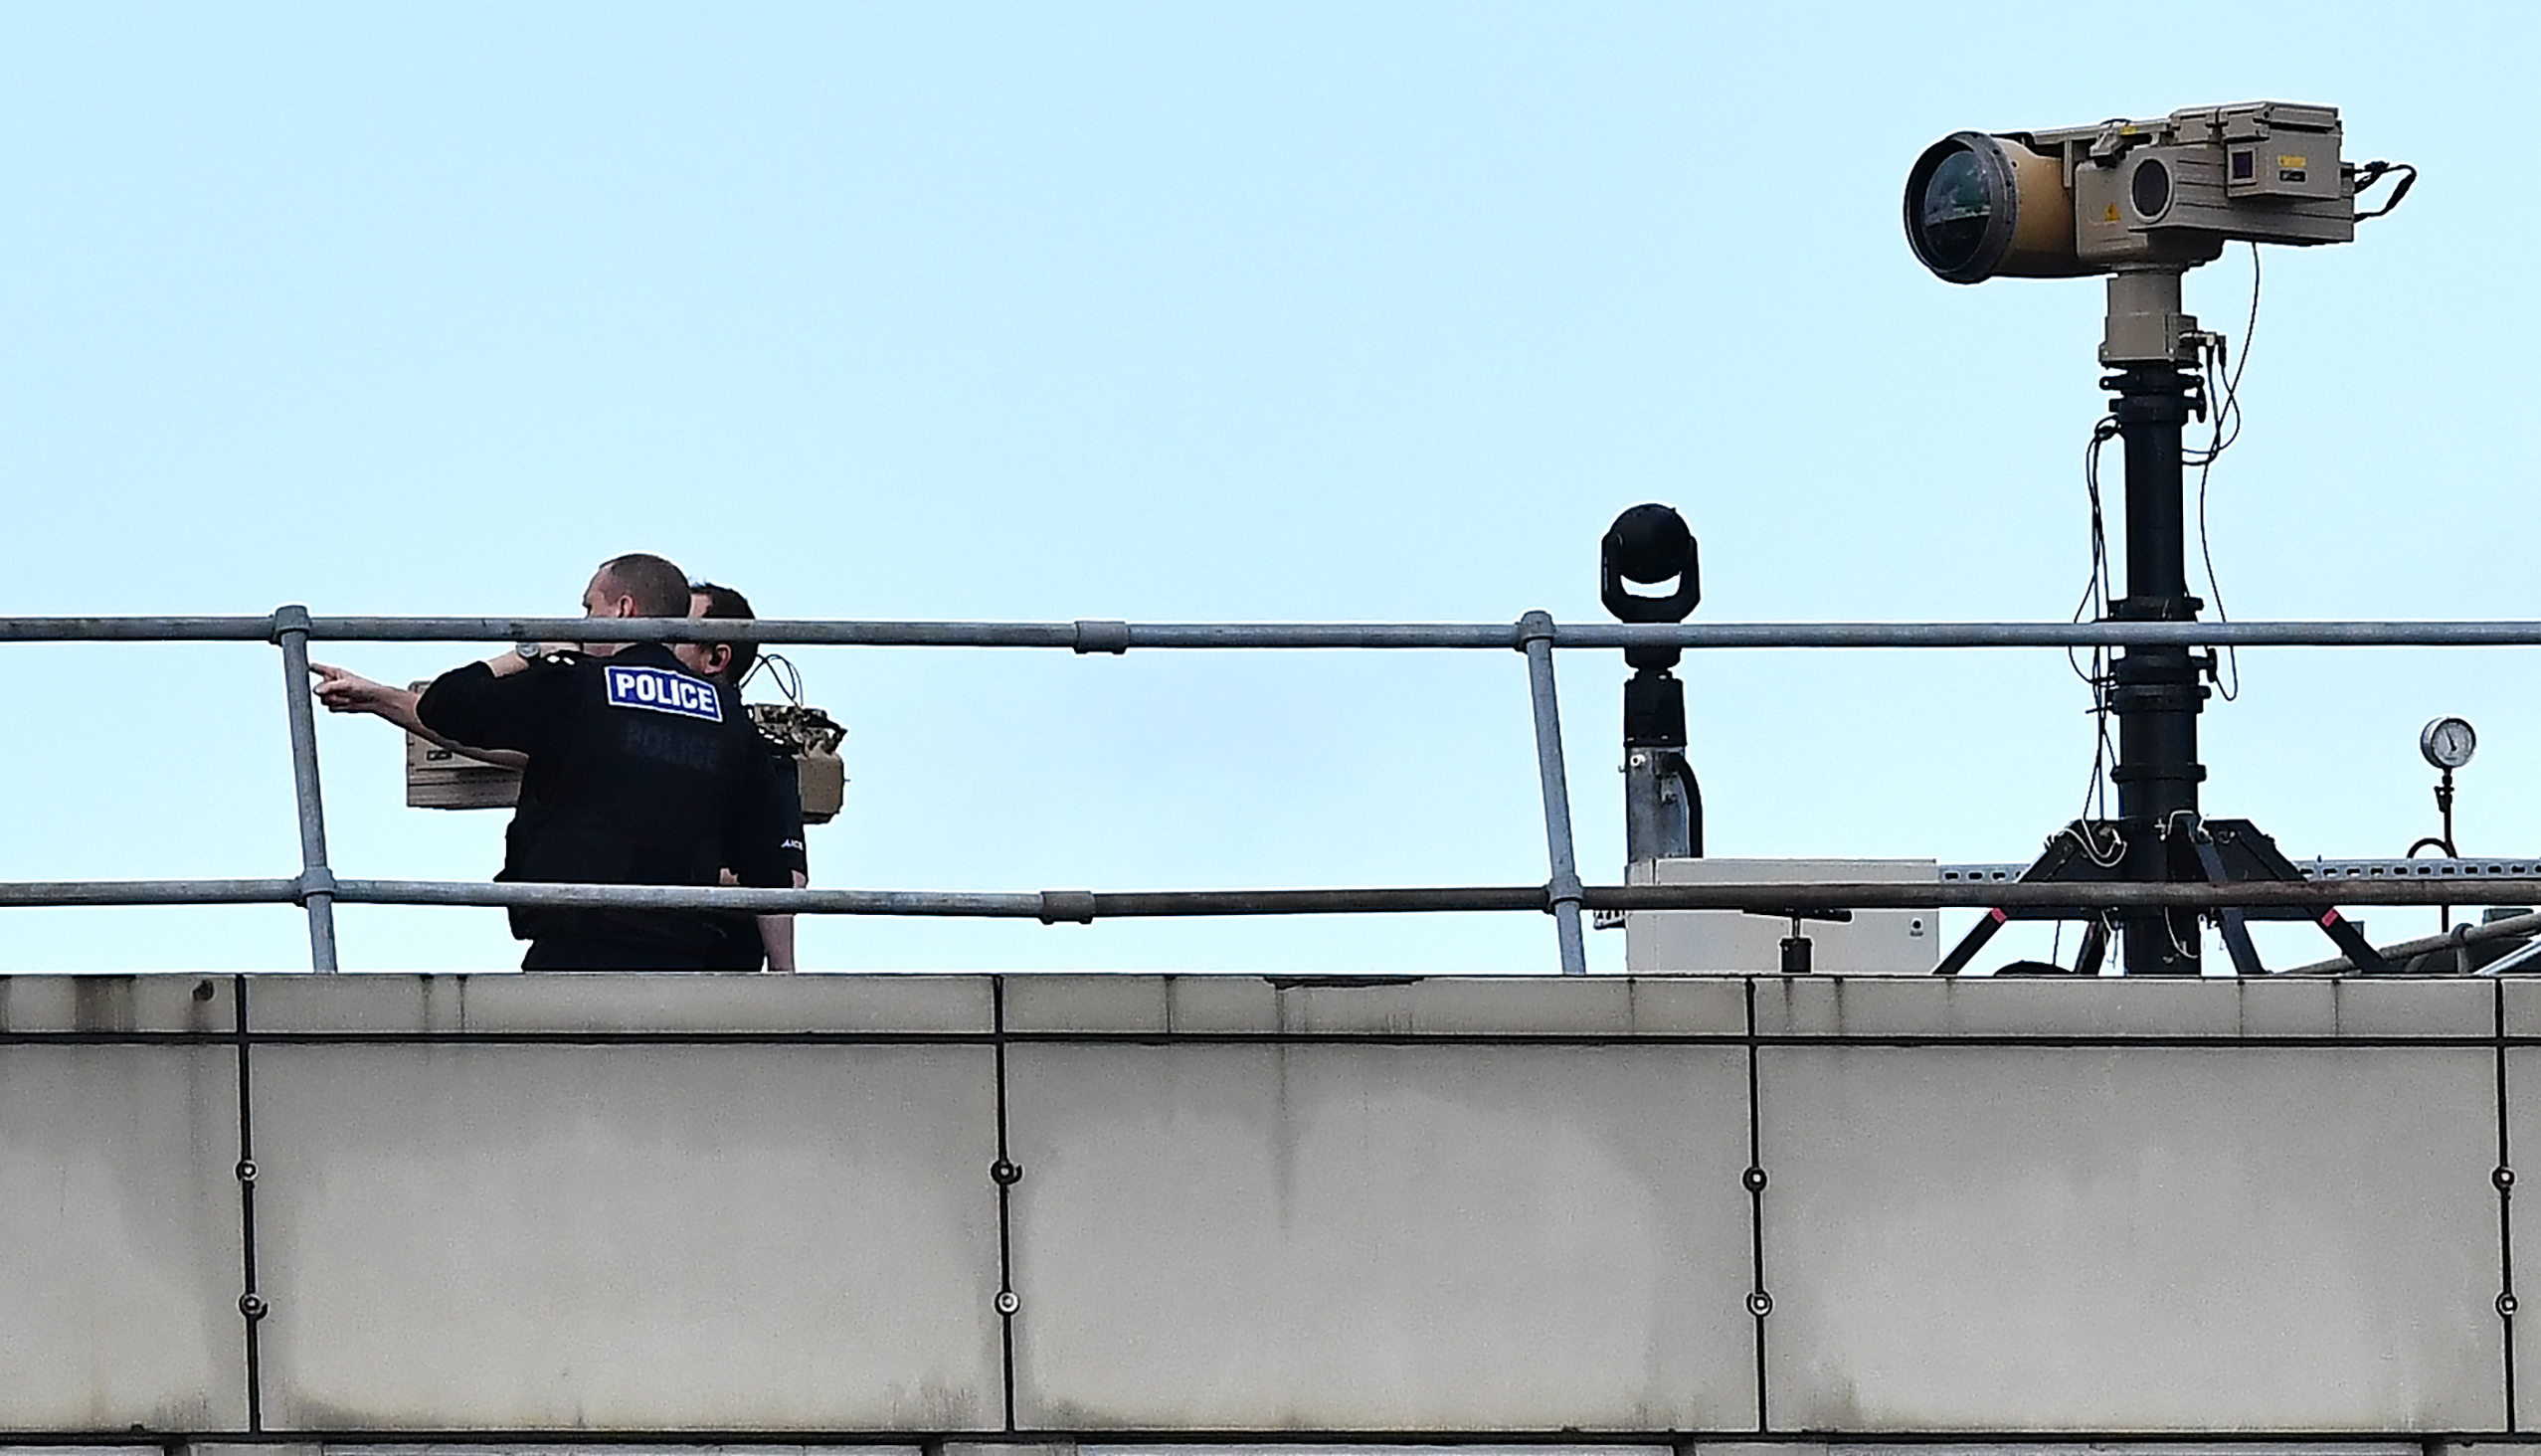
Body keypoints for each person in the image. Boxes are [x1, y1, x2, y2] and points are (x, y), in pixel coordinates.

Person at [309, 566, 805, 972]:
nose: (582, 619)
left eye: (590, 608)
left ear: (623, 610)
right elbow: (770, 874)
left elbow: (449, 705)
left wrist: (532, 650)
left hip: (577, 952)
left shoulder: (577, 688)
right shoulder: (732, 722)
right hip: (688, 964)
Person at [685, 580, 809, 973]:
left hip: (719, 968)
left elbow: (785, 882)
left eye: (675, 630)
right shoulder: (622, 734)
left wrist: (784, 978)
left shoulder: (758, 755)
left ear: (717, 658)